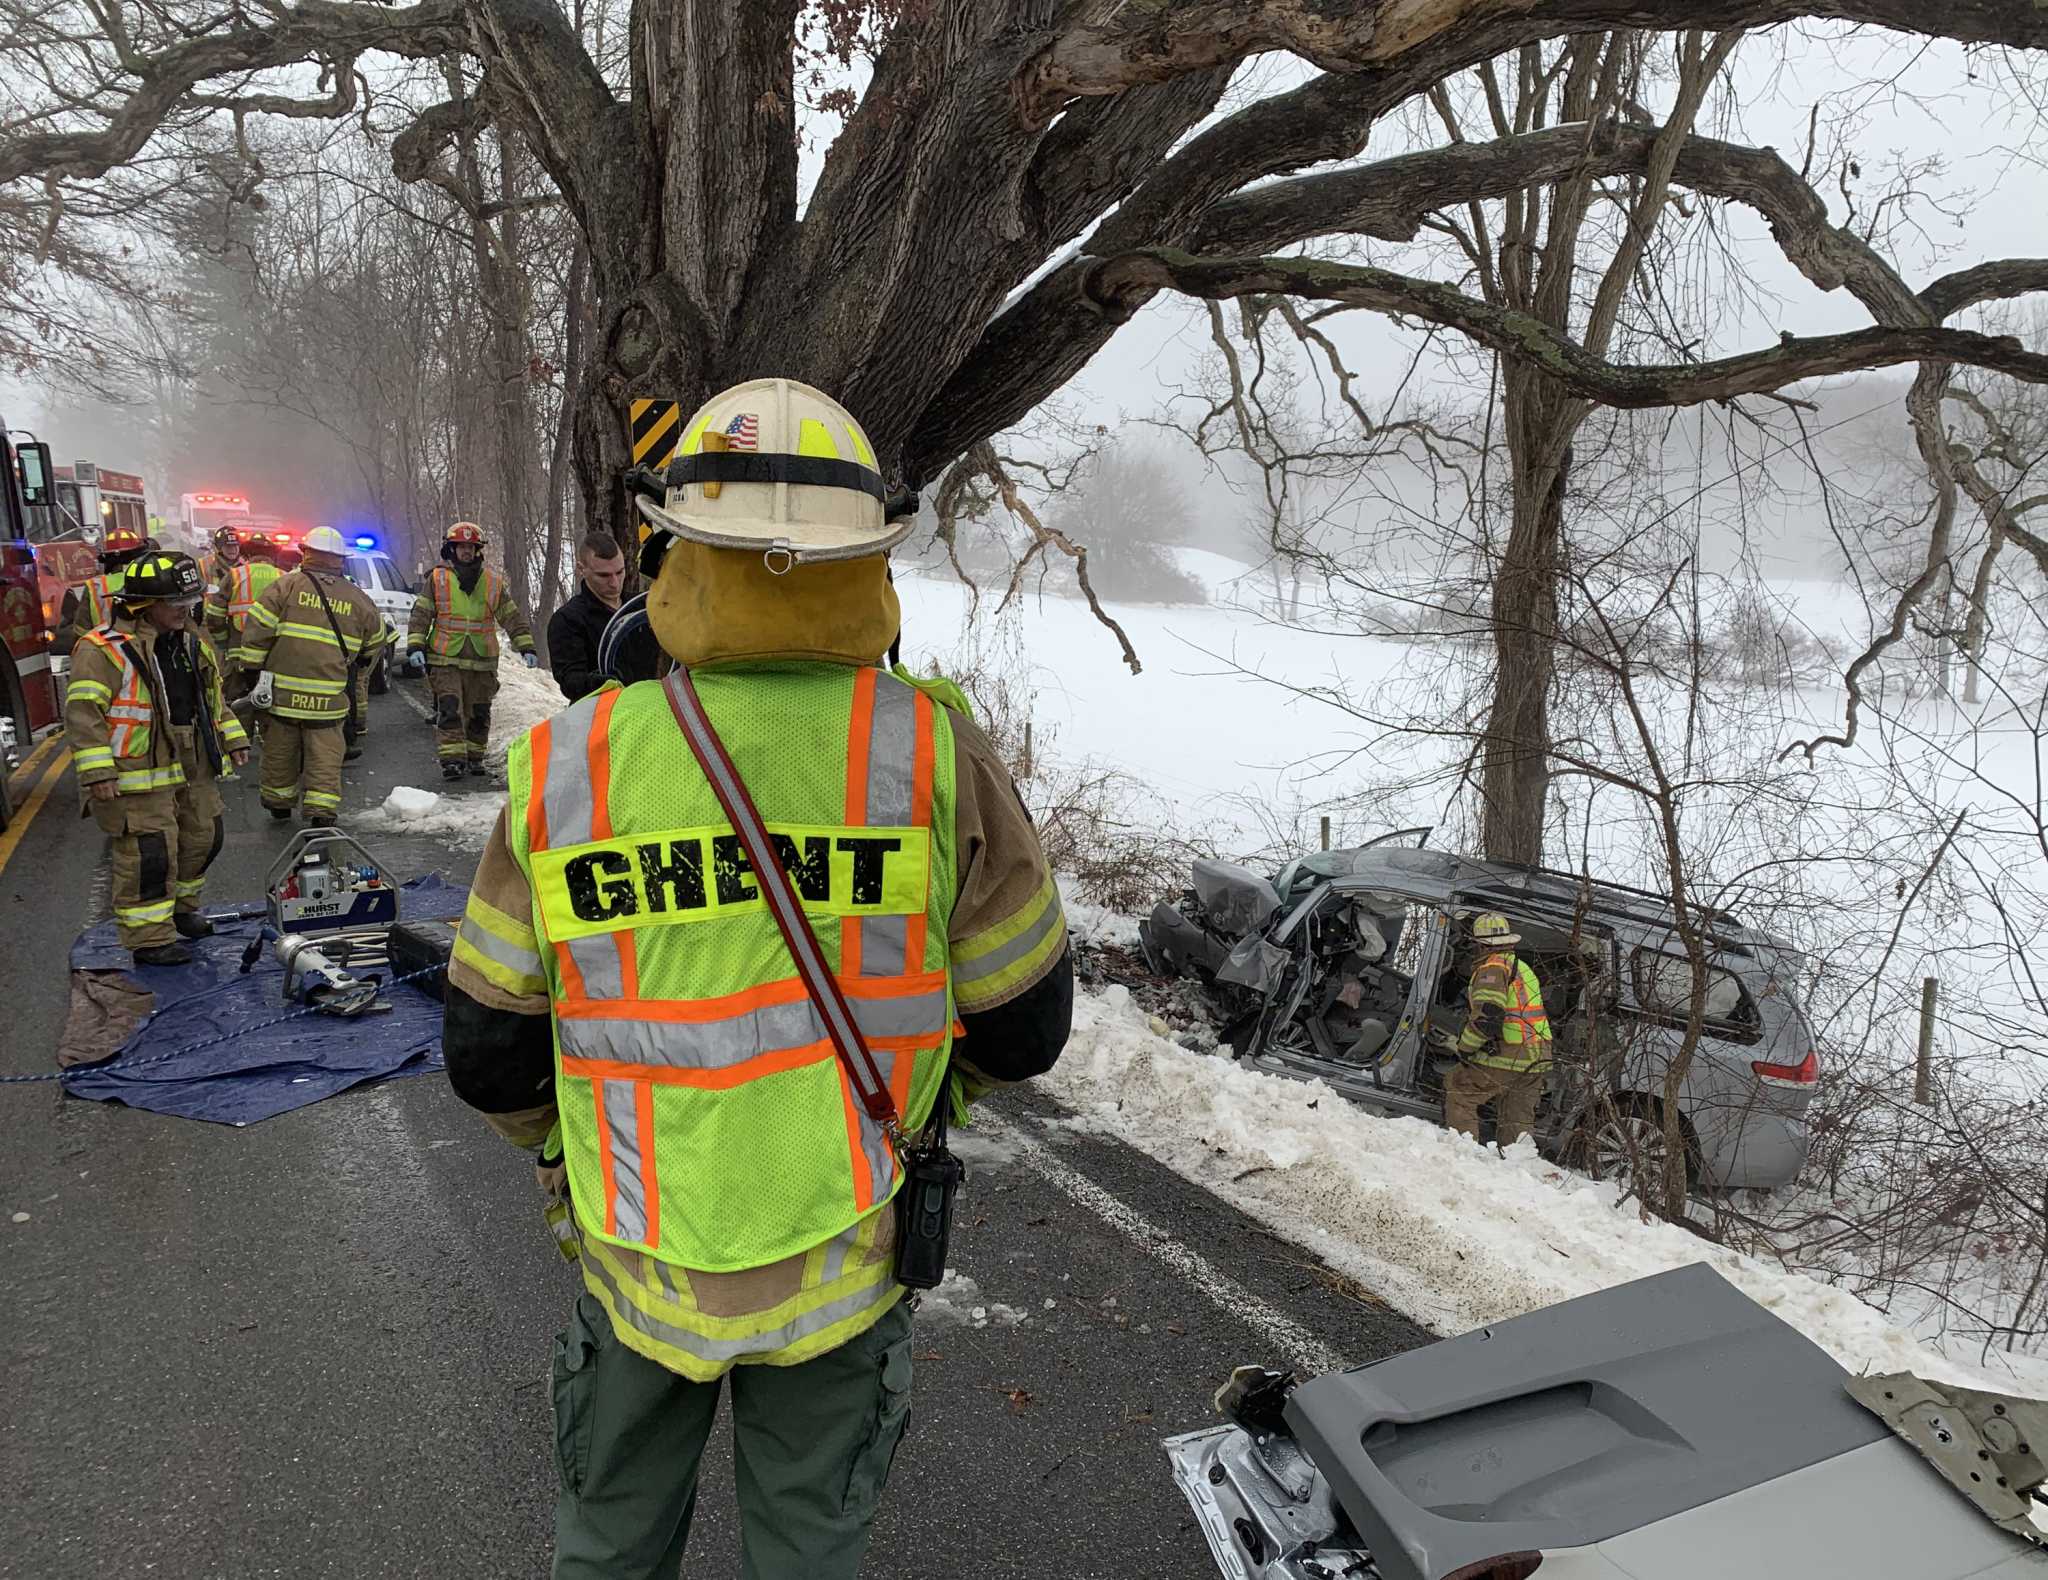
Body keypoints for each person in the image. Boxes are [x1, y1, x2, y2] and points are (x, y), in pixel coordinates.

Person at [441, 377, 1074, 1580]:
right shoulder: (935, 753)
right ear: (870, 568)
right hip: (843, 1249)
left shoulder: (567, 764)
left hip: (634, 1250)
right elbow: (1023, 1019)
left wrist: (570, 1145)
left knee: (611, 1547)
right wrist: (918, 1102)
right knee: (808, 1552)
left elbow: (485, 1047)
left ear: (672, 549)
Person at [65, 551, 249, 966]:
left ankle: (181, 910)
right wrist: (97, 772)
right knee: (151, 853)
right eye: (177, 603)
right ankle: (149, 938)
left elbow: (211, 699)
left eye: (191, 601)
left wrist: (232, 739)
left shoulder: (189, 642)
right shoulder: (101, 651)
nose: (188, 609)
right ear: (145, 605)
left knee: (205, 834)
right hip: (136, 770)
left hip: (192, 758)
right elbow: (83, 715)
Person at [232, 525, 381, 826]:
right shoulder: (358, 598)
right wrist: (354, 661)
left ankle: (279, 802)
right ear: (341, 560)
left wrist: (252, 675)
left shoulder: (283, 587)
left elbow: (256, 632)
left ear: (305, 553)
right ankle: (321, 812)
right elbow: (375, 640)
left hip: (283, 697)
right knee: (325, 756)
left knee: (280, 750)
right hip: (328, 700)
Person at [404, 521, 536, 780]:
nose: (466, 551)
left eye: (470, 547)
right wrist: (415, 644)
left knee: (479, 712)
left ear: (478, 550)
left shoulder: (492, 583)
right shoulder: (437, 579)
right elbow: (421, 613)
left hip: (482, 660)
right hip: (445, 658)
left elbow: (511, 616)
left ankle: (475, 757)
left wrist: (526, 645)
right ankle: (452, 761)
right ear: (451, 549)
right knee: (450, 708)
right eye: (460, 546)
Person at [1443, 911, 1553, 1147]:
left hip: (1511, 1054)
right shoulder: (1520, 967)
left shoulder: (1492, 968)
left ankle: (1462, 1154)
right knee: (1516, 1118)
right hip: (1538, 1056)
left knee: (1460, 1088)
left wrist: (1465, 1048)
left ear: (1481, 946)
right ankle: (1513, 1166)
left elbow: (1487, 1018)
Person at [545, 531, 629, 701]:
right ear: (581, 569)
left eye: (620, 572)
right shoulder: (567, 620)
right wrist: (604, 682)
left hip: (657, 711)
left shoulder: (643, 606)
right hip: (603, 716)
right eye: (604, 575)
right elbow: (570, 682)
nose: (614, 583)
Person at [61, 523, 152, 647]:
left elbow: (80, 631)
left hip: (106, 655)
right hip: (145, 650)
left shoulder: (95, 587)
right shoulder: (150, 579)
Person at [202, 527, 281, 653]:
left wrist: (223, 642)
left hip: (239, 647)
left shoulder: (236, 574)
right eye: (228, 546)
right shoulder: (285, 577)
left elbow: (215, 615)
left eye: (235, 546)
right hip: (273, 649)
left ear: (247, 553)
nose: (232, 550)